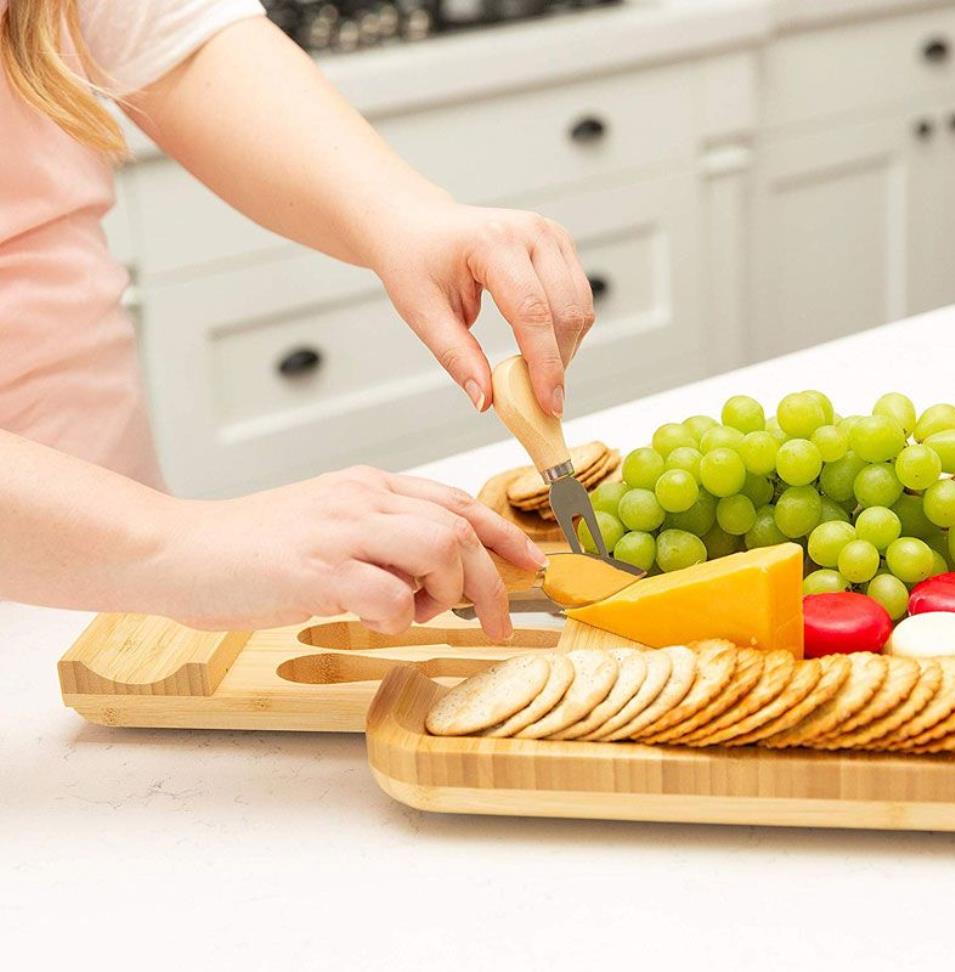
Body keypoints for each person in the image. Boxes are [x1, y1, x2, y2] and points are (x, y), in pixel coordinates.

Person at [0, 0, 595, 639]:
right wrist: (179, 543)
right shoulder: (165, 548)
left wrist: (404, 216)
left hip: (114, 575)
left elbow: (186, 45)